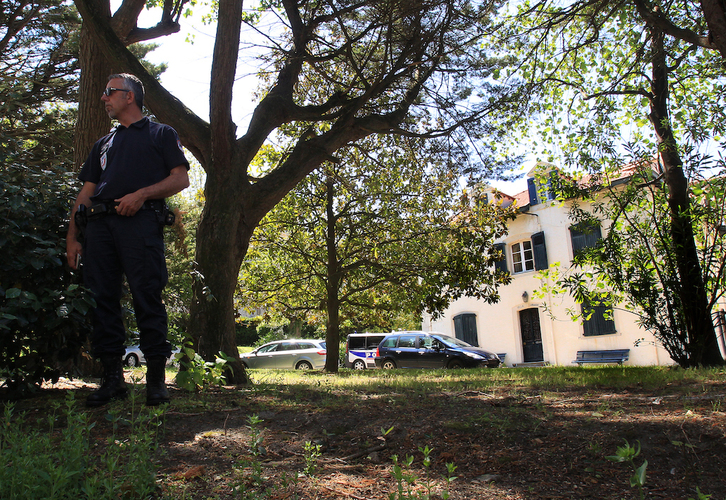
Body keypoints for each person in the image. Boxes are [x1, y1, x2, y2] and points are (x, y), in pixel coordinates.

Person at [66, 73, 190, 407]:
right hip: (100, 230)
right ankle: (111, 380)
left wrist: (141, 195)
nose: (104, 98)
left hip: (140, 224)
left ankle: (155, 382)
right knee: (102, 300)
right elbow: (86, 192)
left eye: (110, 92)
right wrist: (73, 238)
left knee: (146, 295)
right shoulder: (103, 144)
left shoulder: (160, 134)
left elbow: (180, 178)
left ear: (130, 96)